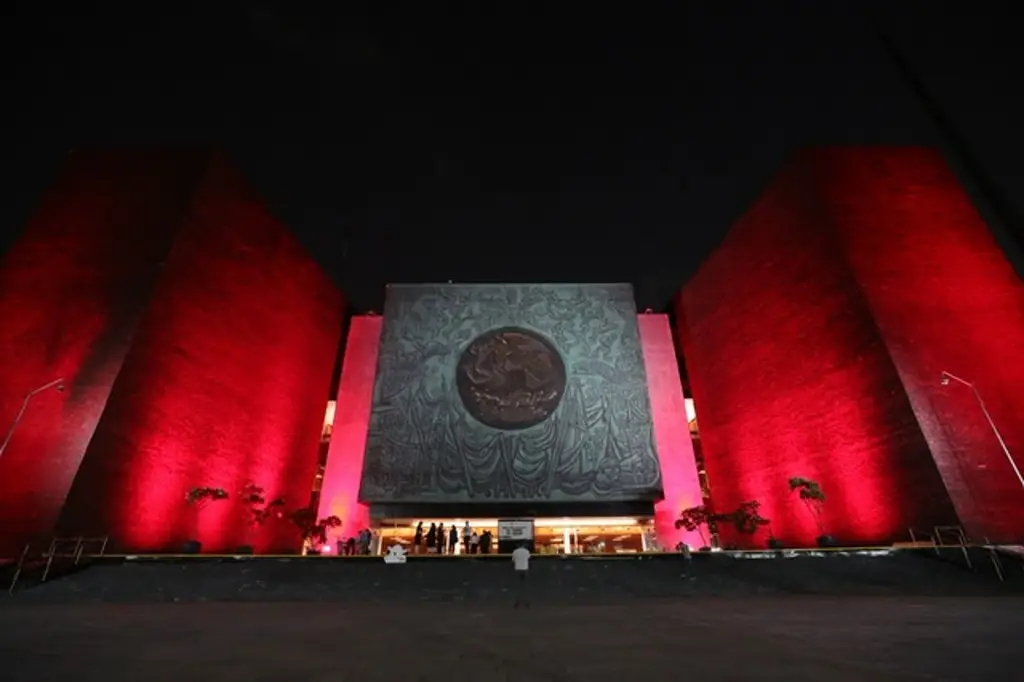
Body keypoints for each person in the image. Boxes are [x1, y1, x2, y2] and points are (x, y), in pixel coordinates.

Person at [511, 542, 530, 608]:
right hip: (525, 569)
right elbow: (528, 558)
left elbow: (513, 560)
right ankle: (526, 603)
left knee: (517, 586)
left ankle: (517, 603)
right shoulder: (526, 551)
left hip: (517, 569)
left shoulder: (515, 551)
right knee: (525, 585)